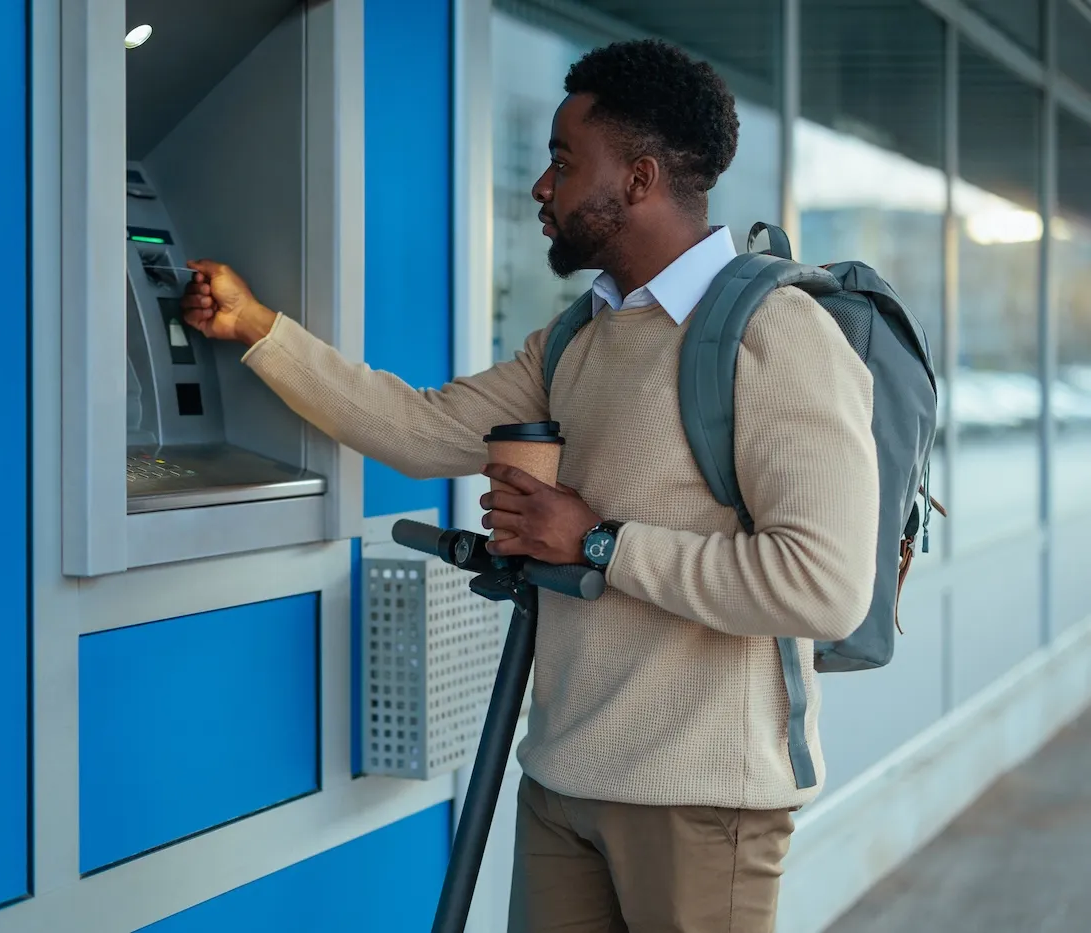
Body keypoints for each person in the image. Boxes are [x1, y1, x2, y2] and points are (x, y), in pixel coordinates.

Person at [180, 38, 879, 933]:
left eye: (561, 161)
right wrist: (260, 329)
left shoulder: (776, 334)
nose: (540, 188)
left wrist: (596, 541)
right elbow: (421, 428)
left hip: (703, 801)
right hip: (560, 777)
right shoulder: (576, 340)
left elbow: (822, 584)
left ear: (639, 178)